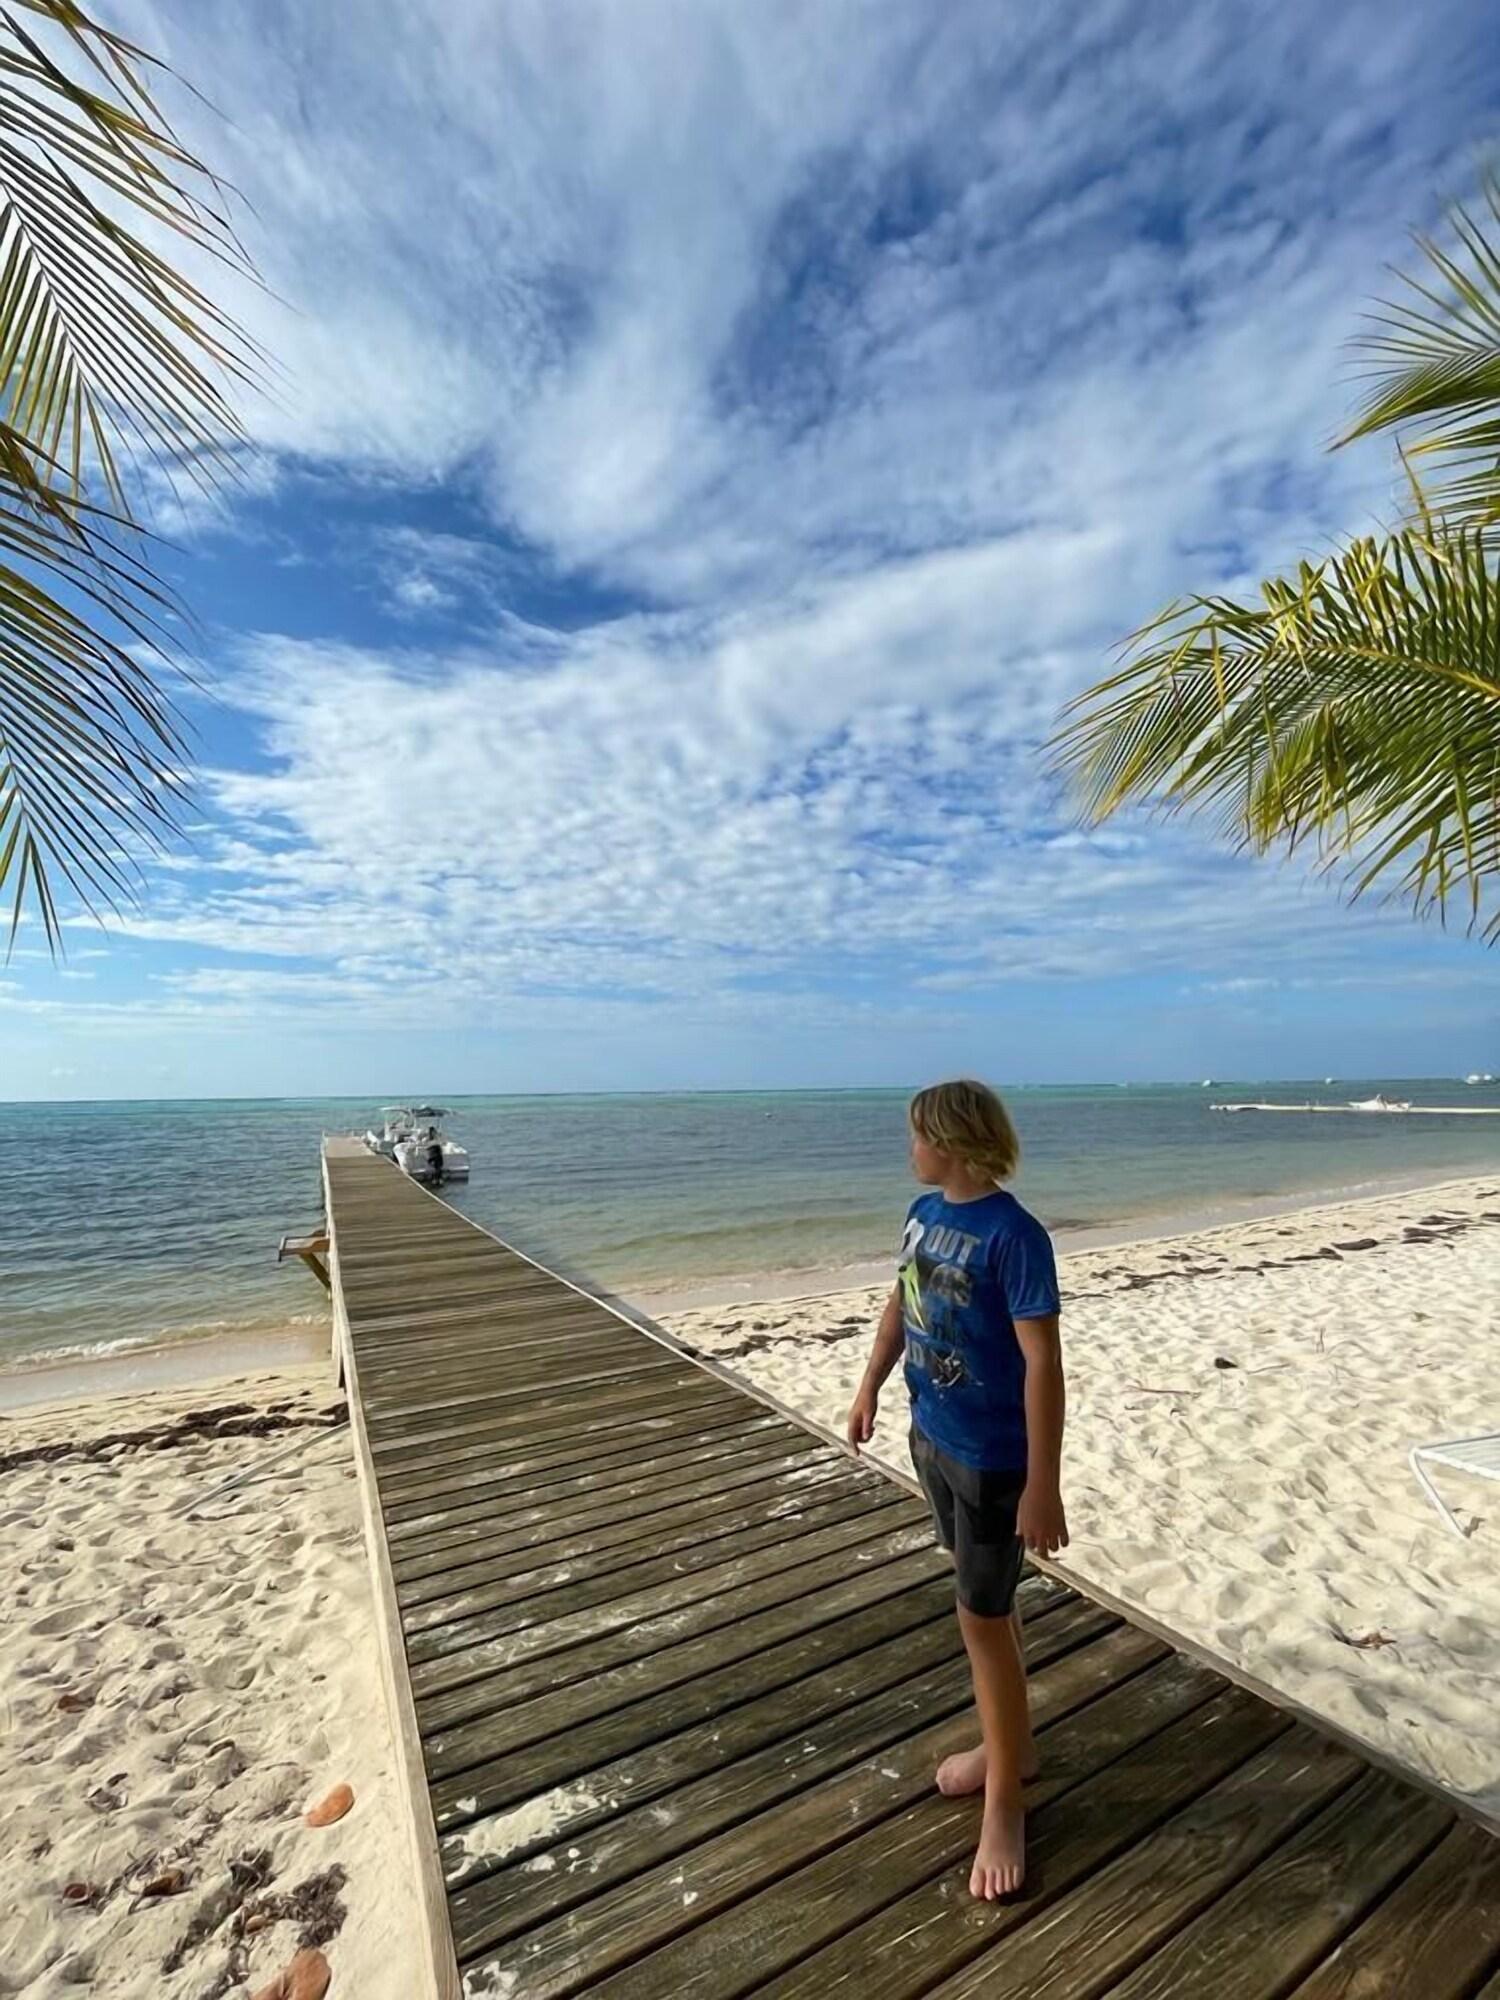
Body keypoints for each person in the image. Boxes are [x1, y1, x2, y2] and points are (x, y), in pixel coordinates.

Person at [846, 1078, 1067, 1901]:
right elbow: (900, 1305)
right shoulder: (922, 1214)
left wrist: (1042, 1485)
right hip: (932, 1436)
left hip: (993, 1461)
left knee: (979, 1620)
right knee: (990, 1609)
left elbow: (1043, 1363)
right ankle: (1015, 1748)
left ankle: (1005, 1799)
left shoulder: (1015, 1236)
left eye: (917, 1136)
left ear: (957, 1141)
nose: (909, 1150)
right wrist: (870, 1383)